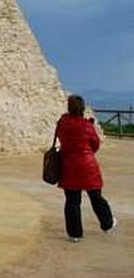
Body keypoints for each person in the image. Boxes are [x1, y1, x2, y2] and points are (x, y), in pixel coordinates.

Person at [56, 94, 117, 242]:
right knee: (96, 197)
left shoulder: (62, 123)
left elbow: (59, 137)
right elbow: (95, 144)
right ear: (83, 108)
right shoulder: (86, 125)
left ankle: (75, 234)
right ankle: (107, 223)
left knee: (72, 201)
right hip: (87, 165)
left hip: (69, 165)